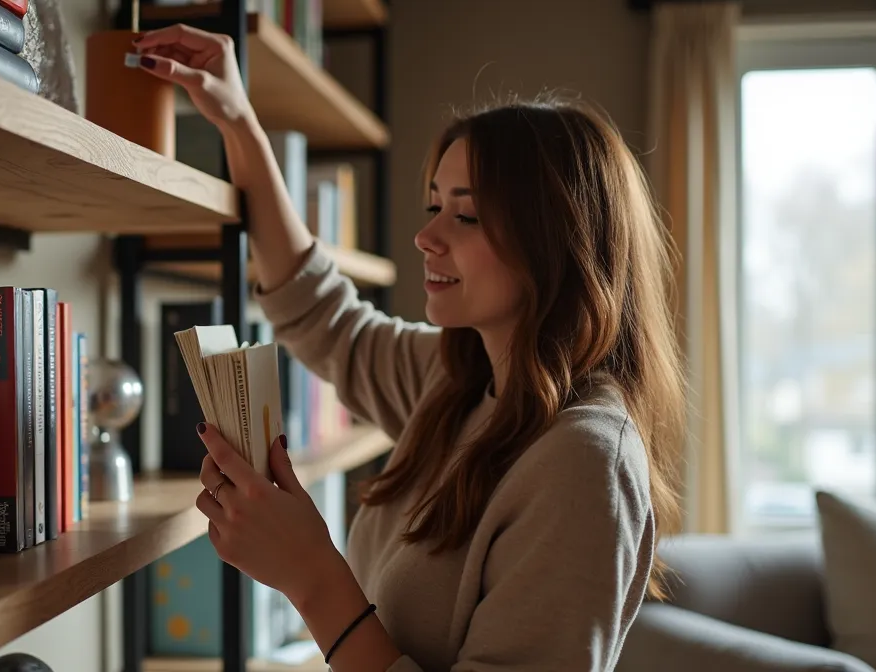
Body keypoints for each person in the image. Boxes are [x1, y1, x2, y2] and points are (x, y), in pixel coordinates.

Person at [134, 22, 687, 672]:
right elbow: (322, 316)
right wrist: (239, 124)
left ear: (556, 242)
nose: (426, 237)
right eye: (432, 206)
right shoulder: (458, 380)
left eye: (466, 214)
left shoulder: (583, 464)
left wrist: (312, 577)